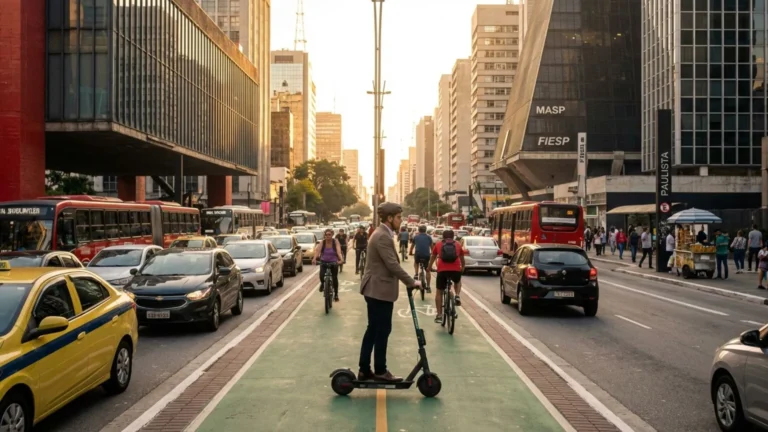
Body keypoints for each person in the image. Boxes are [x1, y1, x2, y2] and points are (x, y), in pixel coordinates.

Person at [358, 202, 420, 383]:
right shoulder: (382, 236)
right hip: (378, 290)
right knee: (381, 330)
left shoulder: (383, 234)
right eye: (399, 217)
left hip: (377, 289)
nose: (401, 220)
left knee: (374, 329)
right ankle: (380, 371)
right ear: (390, 218)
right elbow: (392, 264)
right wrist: (411, 281)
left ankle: (365, 370)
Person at [429, 229, 466, 322]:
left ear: (443, 237)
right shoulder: (457, 244)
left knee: (439, 292)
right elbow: (462, 258)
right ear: (453, 237)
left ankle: (439, 315)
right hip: (455, 270)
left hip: (442, 270)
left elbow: (433, 257)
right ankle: (457, 295)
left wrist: (429, 267)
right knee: (457, 281)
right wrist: (463, 267)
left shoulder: (438, 244)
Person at [312, 229, 345, 302]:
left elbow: (339, 251)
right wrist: (314, 258)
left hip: (333, 262)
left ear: (332, 235)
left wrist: (341, 259)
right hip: (323, 261)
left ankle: (336, 294)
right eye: (326, 235)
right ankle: (322, 284)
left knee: (334, 278)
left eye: (329, 235)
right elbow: (318, 251)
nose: (327, 236)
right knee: (321, 275)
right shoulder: (323, 242)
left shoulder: (335, 242)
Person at [409, 225, 434, 291]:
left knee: (416, 262)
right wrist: (432, 253)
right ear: (425, 230)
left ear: (419, 230)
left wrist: (410, 252)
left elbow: (412, 246)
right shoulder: (429, 237)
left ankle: (416, 274)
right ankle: (428, 287)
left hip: (418, 255)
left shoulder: (416, 237)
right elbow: (432, 247)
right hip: (426, 255)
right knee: (427, 270)